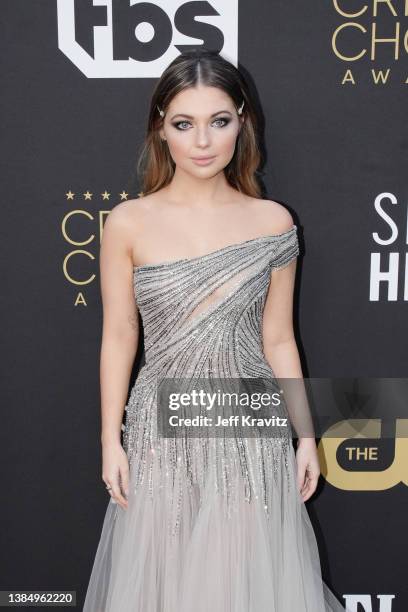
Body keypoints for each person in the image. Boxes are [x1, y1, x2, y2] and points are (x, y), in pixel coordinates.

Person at [83, 48, 346, 611]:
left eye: (218, 121)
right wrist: (111, 439)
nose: (202, 142)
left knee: (242, 581)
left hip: (248, 429)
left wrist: (304, 435)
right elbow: (120, 334)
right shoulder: (129, 221)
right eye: (184, 124)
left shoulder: (273, 223)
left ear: (242, 122)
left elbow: (278, 339)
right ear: (161, 129)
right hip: (162, 429)